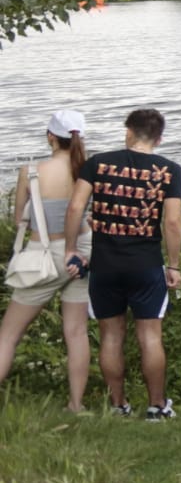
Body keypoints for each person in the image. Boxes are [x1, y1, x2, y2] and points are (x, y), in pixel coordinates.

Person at [64, 108, 181, 420]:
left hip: (104, 265)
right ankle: (157, 406)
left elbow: (76, 205)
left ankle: (118, 405)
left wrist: (70, 248)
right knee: (150, 336)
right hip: (146, 264)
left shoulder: (97, 163)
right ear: (159, 139)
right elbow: (172, 223)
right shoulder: (170, 170)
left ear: (128, 131)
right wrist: (173, 265)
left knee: (111, 336)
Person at [3, 111, 95, 411]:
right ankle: (76, 405)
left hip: (46, 255)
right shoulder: (88, 169)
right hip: (84, 252)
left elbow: (20, 219)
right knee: (77, 332)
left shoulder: (31, 172)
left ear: (50, 137)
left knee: (8, 335)